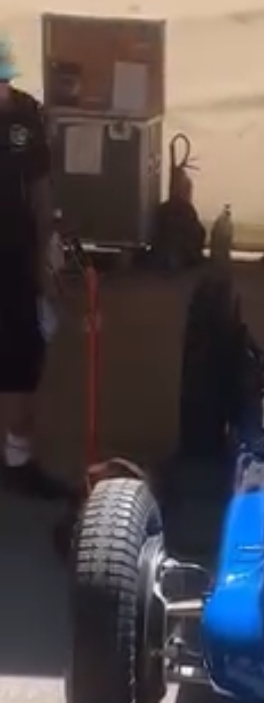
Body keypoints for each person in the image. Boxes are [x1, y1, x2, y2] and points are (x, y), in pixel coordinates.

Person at [0, 37, 71, 498]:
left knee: (22, 358)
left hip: (16, 254)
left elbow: (42, 188)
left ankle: (18, 460)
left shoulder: (26, 114)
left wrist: (47, 252)